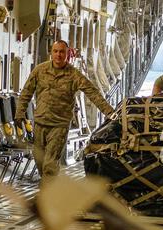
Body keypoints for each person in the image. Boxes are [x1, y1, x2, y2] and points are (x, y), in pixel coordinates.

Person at [15, 40, 114, 184]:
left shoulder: (74, 75)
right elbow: (26, 93)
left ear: (67, 54)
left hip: (59, 125)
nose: (58, 55)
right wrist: (20, 113)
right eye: (55, 51)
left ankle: (46, 198)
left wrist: (110, 113)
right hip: (40, 122)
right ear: (51, 52)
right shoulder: (40, 70)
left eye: (62, 52)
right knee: (40, 161)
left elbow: (93, 93)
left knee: (50, 164)